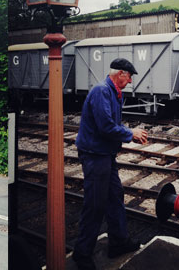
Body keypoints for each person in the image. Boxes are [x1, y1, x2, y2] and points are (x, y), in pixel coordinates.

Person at [72, 58, 149, 270]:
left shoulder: (114, 92)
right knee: (95, 204)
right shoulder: (101, 91)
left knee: (115, 197)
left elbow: (112, 124)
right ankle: (82, 254)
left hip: (105, 154)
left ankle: (118, 242)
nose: (130, 81)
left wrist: (128, 134)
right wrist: (130, 133)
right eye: (129, 76)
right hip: (95, 155)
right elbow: (105, 126)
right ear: (121, 73)